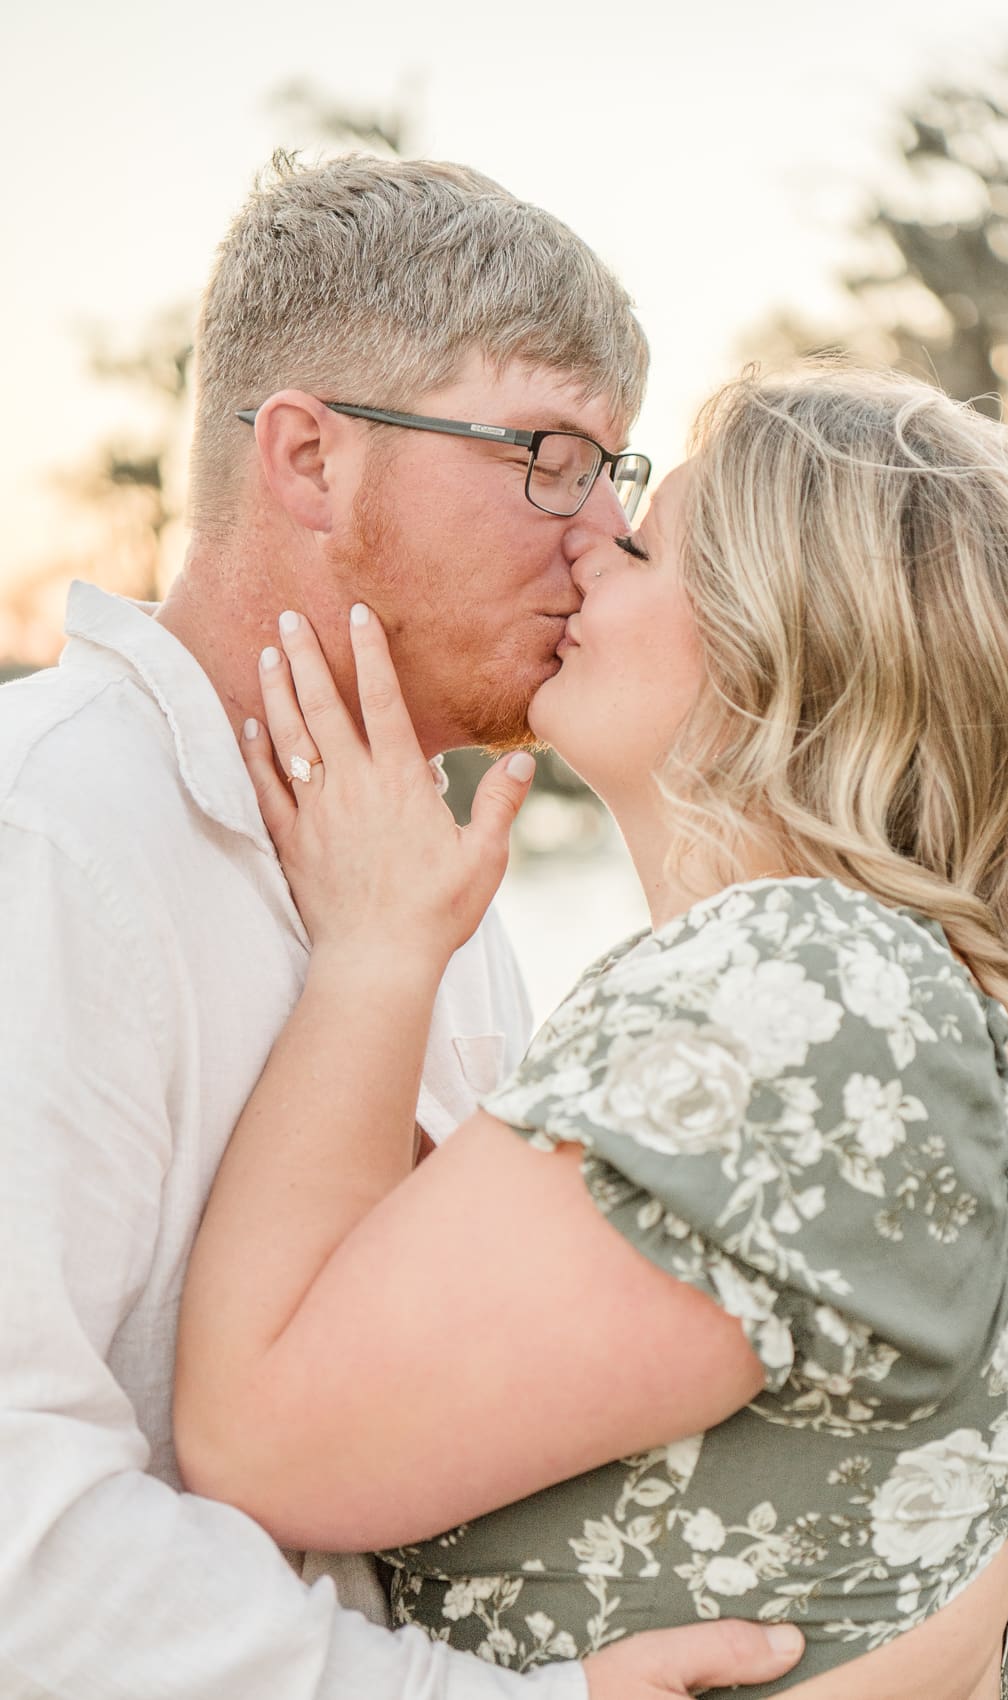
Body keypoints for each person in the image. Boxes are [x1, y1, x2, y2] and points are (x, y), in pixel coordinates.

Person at [175, 364, 1008, 1699]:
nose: (579, 551)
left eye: (635, 545)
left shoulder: (817, 990)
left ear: (782, 640)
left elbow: (257, 1436)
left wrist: (376, 951)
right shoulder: (907, 1014)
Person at [0, 154, 808, 1700]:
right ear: (308, 459)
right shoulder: (45, 845)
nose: (593, 540)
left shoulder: (425, 874)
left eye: (614, 478)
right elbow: (17, 1549)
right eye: (548, 456)